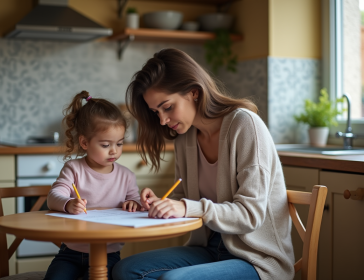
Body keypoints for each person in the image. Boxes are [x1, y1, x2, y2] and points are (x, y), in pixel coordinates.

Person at [112, 48, 295, 280]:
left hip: (256, 259)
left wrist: (186, 207)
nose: (162, 120)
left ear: (194, 92)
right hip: (209, 249)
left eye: (167, 107)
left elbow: (251, 215)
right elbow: (182, 196)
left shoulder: (245, 125)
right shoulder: (185, 137)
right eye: (155, 111)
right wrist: (161, 203)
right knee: (125, 270)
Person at [44, 91, 142, 280]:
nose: (114, 150)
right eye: (105, 145)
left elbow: (135, 203)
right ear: (84, 142)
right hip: (70, 253)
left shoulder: (127, 176)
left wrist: (134, 204)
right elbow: (53, 196)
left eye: (119, 144)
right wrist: (67, 203)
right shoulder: (73, 169)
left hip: (109, 254)